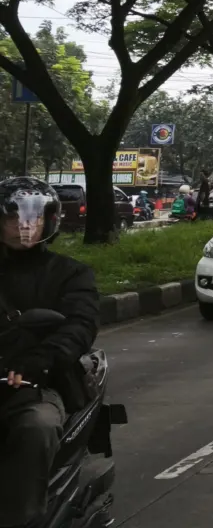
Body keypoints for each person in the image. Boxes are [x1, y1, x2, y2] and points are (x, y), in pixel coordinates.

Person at [0, 178, 99, 528]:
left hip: (36, 386)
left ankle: (22, 520)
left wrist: (38, 361)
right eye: (12, 217)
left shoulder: (71, 274)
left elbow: (81, 325)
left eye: (33, 217)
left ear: (49, 222)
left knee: (36, 427)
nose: (23, 225)